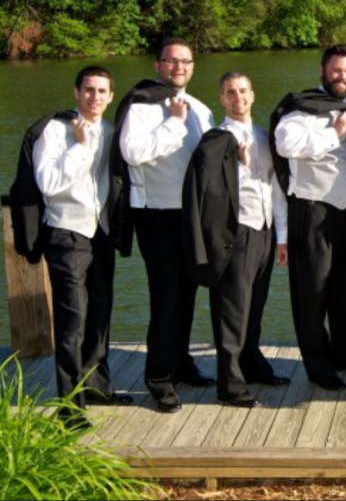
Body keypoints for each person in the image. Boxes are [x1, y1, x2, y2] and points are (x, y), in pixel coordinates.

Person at [114, 39, 215, 413]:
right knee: (167, 297)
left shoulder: (201, 109)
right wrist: (173, 123)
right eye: (171, 61)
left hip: (191, 215)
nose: (179, 67)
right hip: (156, 213)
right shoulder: (141, 106)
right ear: (157, 65)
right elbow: (133, 153)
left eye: (186, 61)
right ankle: (158, 378)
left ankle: (181, 362)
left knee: (188, 293)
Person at [182, 72, 291, 408]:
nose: (238, 97)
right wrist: (241, 167)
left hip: (264, 231)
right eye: (230, 92)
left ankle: (252, 365)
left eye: (243, 91)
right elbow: (212, 193)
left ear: (253, 95)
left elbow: (275, 187)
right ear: (222, 99)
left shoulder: (263, 136)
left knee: (254, 308)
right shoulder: (215, 140)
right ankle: (230, 385)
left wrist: (281, 237)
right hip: (234, 234)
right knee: (231, 313)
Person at [272, 46, 346, 392]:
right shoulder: (302, 109)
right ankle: (317, 365)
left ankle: (345, 351)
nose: (342, 77)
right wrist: (334, 134)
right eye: (336, 71)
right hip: (312, 212)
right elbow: (284, 144)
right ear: (322, 71)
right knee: (312, 294)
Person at [32, 66, 127, 428]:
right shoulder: (55, 131)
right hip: (66, 232)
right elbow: (48, 183)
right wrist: (81, 148)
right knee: (72, 321)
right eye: (89, 90)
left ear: (111, 96)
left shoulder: (111, 132)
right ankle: (69, 406)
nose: (95, 97)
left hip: (101, 232)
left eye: (102, 91)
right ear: (76, 93)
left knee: (100, 314)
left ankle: (97, 387)